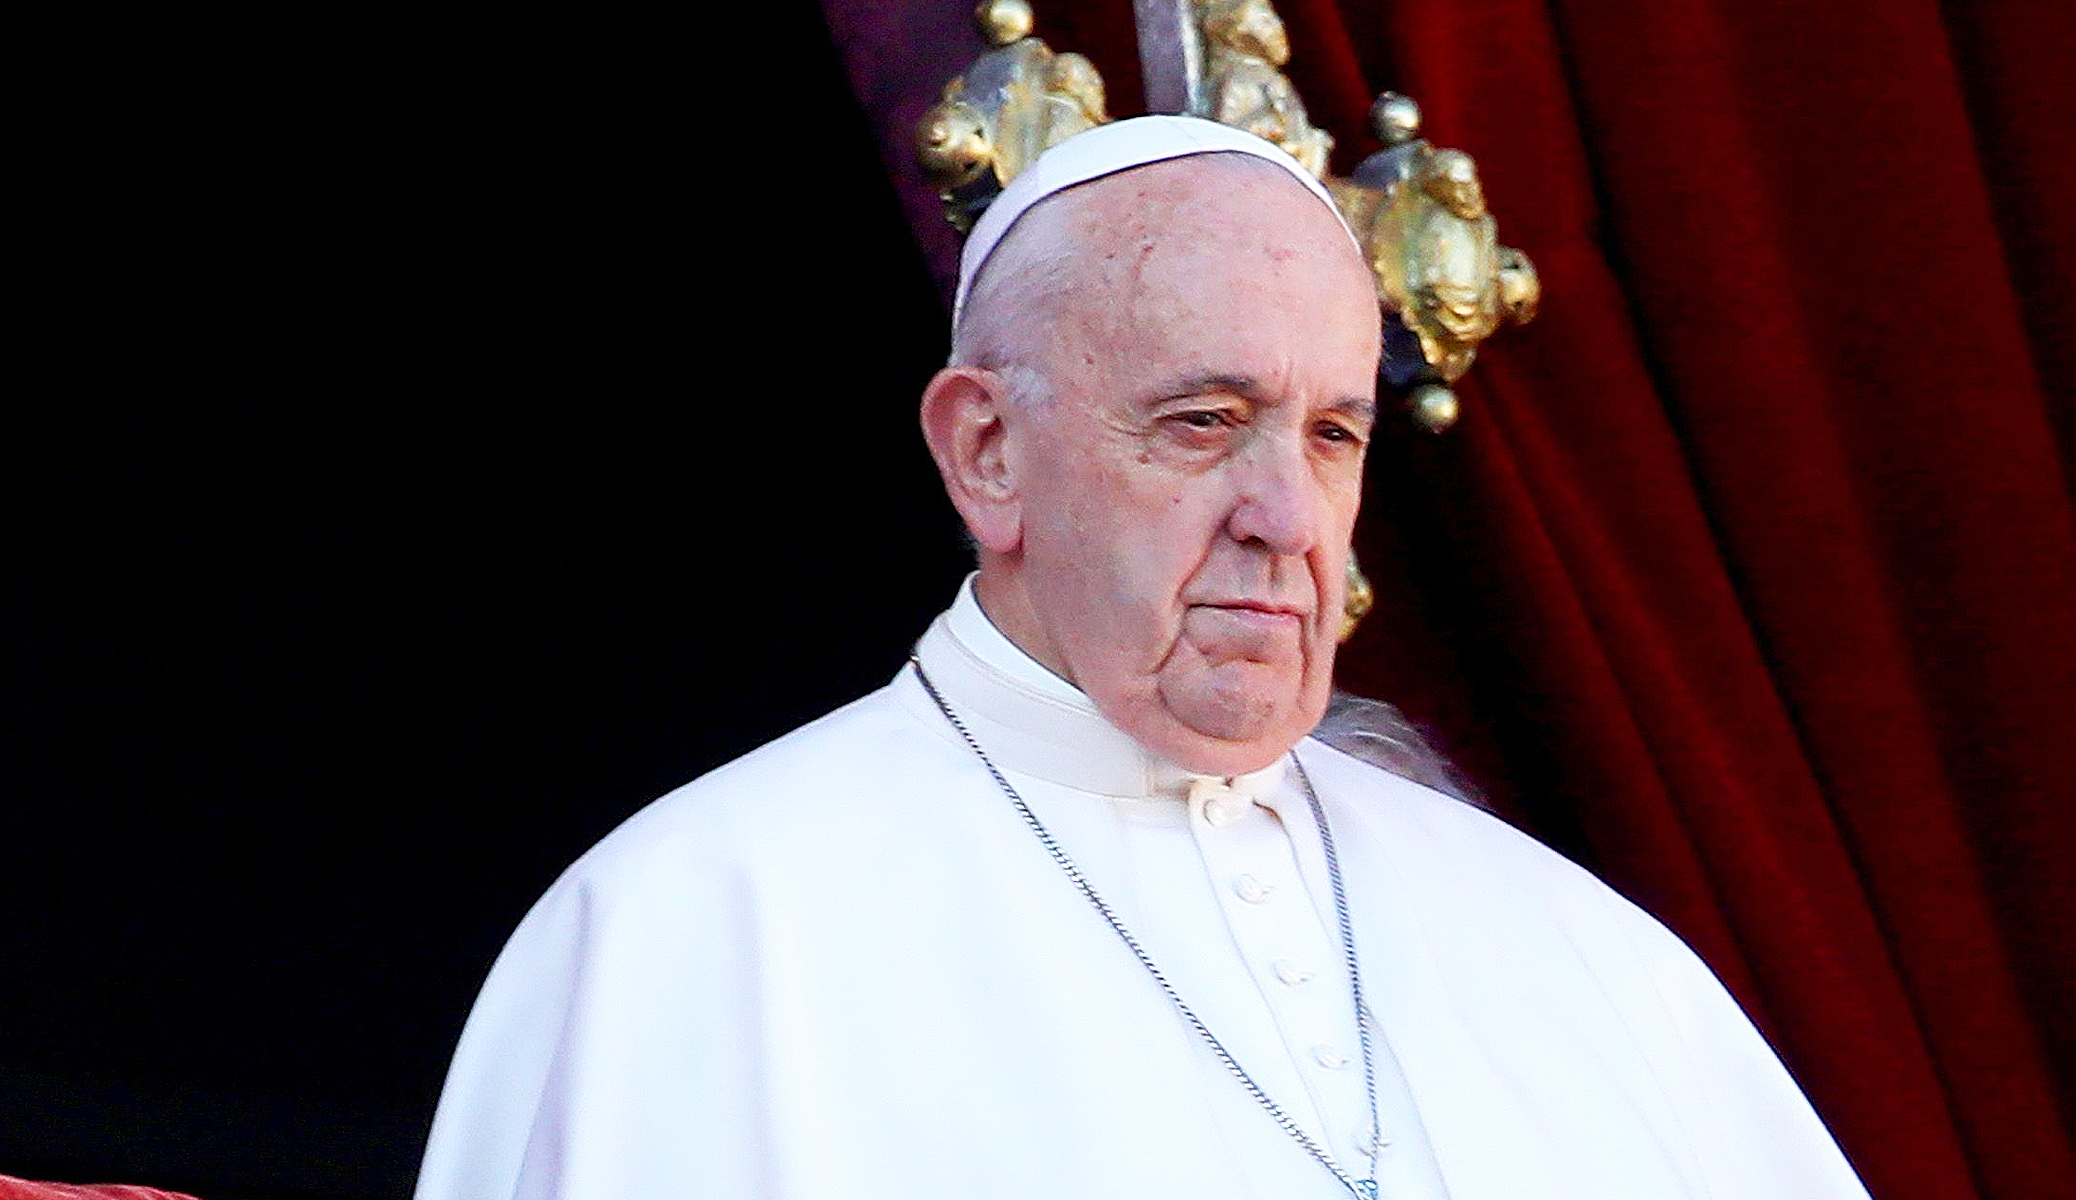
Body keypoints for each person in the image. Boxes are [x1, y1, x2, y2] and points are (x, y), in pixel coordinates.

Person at [414, 116, 1870, 1200]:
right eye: (1202, 421)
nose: (1290, 519)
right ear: (987, 453)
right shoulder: (686, 940)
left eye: (1332, 435)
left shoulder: (1584, 959)